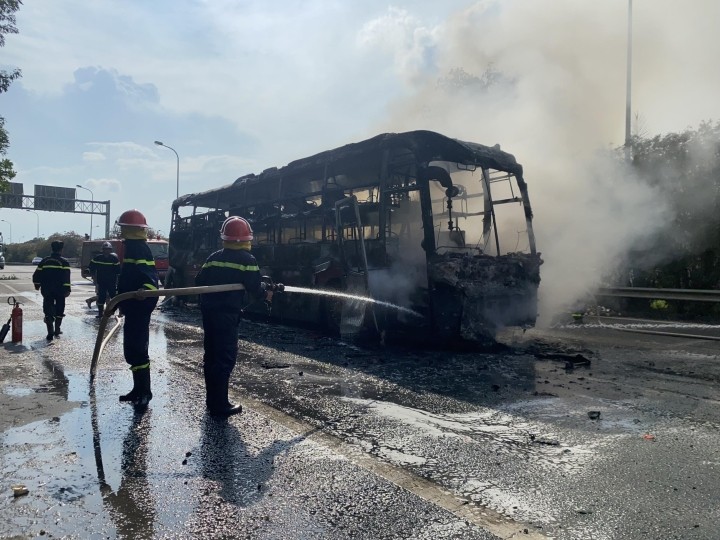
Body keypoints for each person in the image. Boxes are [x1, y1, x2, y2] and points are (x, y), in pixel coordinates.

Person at [194, 216, 278, 417]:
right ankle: (220, 405)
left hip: (209, 313)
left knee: (211, 356)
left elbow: (199, 280)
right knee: (225, 358)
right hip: (227, 315)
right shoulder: (248, 260)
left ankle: (211, 400)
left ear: (225, 237)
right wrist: (266, 290)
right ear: (248, 238)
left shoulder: (213, 258)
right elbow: (255, 288)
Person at [114, 209, 159, 407]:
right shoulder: (131, 247)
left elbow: (149, 278)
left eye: (123, 227)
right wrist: (122, 303)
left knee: (138, 349)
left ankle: (145, 392)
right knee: (132, 349)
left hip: (140, 305)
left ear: (130, 229)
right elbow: (128, 278)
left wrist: (143, 291)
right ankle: (137, 389)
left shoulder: (139, 248)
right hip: (132, 305)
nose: (121, 231)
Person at [32, 240, 71, 340]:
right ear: (61, 250)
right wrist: (67, 289)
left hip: (47, 289)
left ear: (52, 249)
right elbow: (66, 277)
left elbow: (36, 274)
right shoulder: (64, 262)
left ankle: (50, 331)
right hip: (60, 290)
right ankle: (57, 329)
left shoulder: (44, 261)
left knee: (48, 309)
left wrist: (37, 284)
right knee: (59, 309)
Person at [88, 241, 121, 317]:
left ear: (110, 250)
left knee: (114, 297)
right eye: (105, 249)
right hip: (101, 282)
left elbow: (118, 272)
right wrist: (91, 274)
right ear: (102, 250)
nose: (106, 251)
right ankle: (100, 314)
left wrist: (118, 282)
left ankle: (118, 312)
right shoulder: (97, 258)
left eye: (108, 249)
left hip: (112, 282)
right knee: (101, 298)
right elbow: (91, 267)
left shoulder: (114, 259)